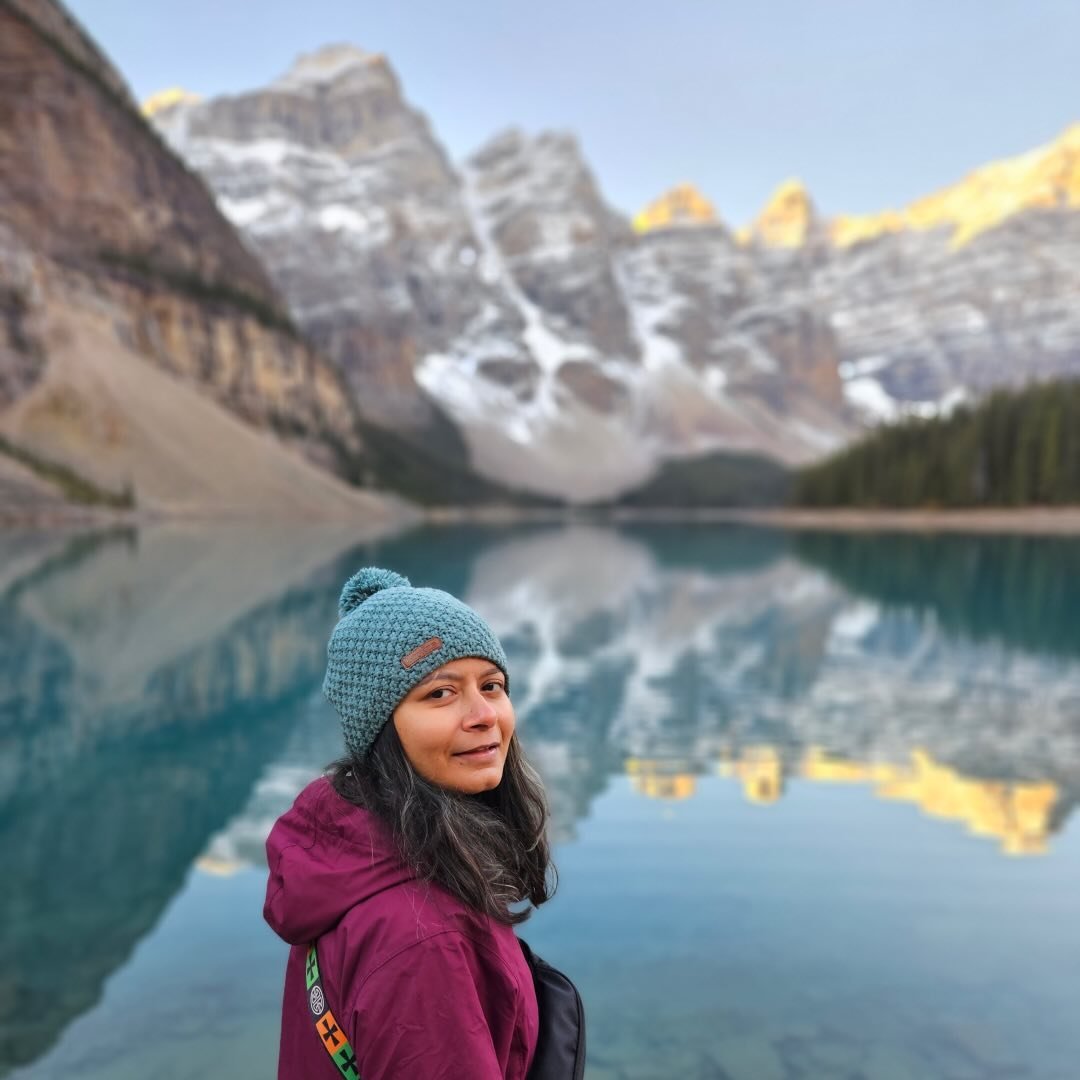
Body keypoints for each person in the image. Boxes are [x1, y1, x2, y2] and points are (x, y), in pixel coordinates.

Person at [264, 567, 555, 1079]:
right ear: (380, 728)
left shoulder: (348, 861)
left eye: (492, 686)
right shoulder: (422, 937)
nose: (484, 714)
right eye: (440, 693)